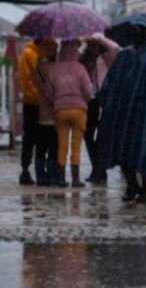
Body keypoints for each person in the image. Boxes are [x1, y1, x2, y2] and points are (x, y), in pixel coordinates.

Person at [97, 20, 146, 204]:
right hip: (127, 114)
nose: (135, 35)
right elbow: (113, 82)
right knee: (125, 152)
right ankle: (132, 185)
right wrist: (107, 101)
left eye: (138, 31)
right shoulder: (125, 55)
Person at [40, 40, 93, 188]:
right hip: (79, 110)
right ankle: (75, 179)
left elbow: (48, 91)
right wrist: (84, 100)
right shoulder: (80, 68)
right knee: (76, 145)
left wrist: (56, 101)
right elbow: (88, 91)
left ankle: (61, 178)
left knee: (62, 145)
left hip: (60, 110)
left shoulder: (54, 69)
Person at [16, 38, 57, 185]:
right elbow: (33, 79)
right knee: (32, 138)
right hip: (34, 102)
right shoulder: (30, 54)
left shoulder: (35, 54)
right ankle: (27, 170)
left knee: (39, 139)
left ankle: (38, 172)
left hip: (37, 102)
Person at [82, 34, 120, 184]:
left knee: (102, 138)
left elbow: (115, 47)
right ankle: (97, 168)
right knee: (88, 136)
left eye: (95, 44)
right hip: (90, 101)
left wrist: (99, 38)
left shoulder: (107, 57)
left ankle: (99, 171)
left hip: (105, 100)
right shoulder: (84, 59)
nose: (92, 47)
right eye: (90, 44)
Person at [31, 48, 59, 186]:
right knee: (54, 147)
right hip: (55, 114)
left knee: (41, 147)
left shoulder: (37, 68)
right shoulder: (57, 69)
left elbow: (35, 84)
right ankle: (53, 175)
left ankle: (40, 176)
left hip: (41, 112)